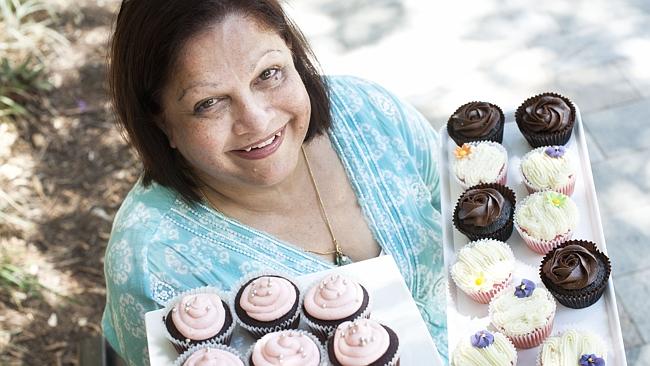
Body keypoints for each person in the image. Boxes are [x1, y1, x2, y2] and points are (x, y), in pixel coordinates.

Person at [102, 0, 447, 364]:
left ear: (292, 53)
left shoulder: (370, 113)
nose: (256, 120)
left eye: (268, 74)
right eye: (209, 103)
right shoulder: (153, 262)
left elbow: (462, 219)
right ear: (159, 120)